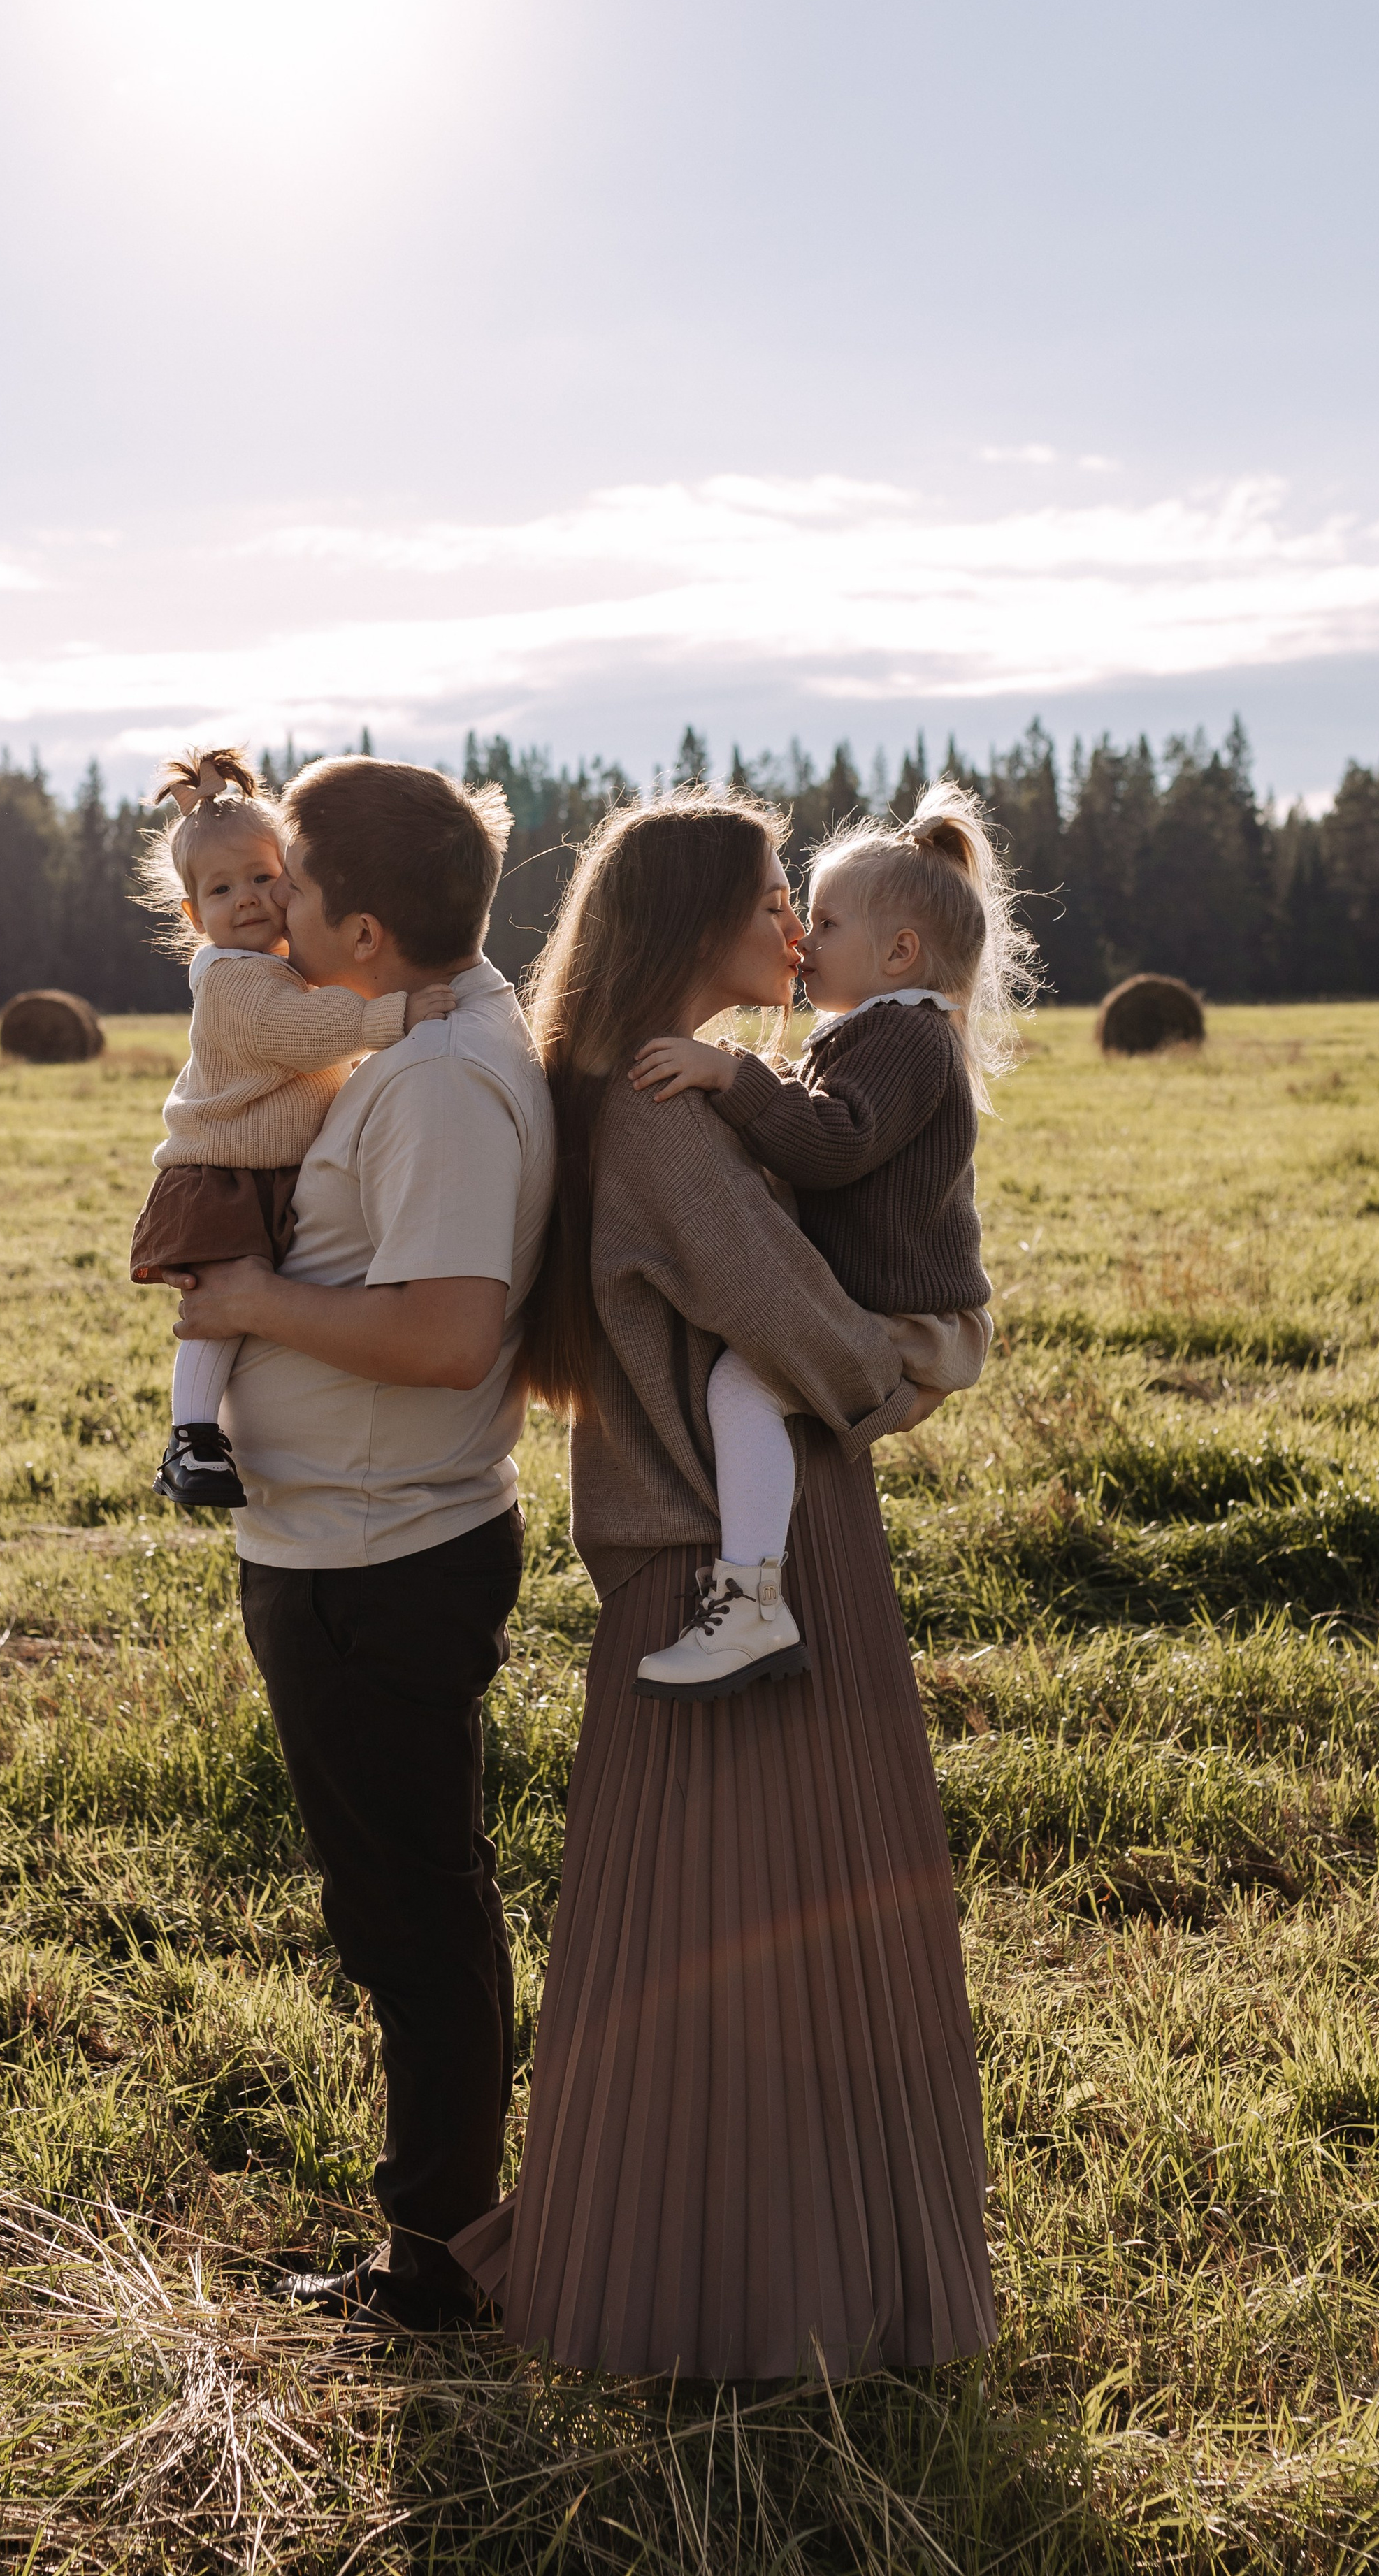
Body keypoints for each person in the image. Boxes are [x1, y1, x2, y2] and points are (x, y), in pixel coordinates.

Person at [451, 791, 996, 2381]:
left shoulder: (647, 1097)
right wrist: (915, 1371)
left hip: (697, 1553)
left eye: (806, 903)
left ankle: (705, 2269)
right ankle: (768, 2301)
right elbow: (806, 1336)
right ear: (699, 923)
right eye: (772, 897)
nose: (790, 926)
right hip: (740, 1560)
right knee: (763, 1933)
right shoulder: (670, 1117)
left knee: (706, 1932)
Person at [159, 756, 555, 2334]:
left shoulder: (437, 1081)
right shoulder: (443, 1022)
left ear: (370, 935)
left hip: (375, 1560)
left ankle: (446, 2260)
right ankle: (446, 2236)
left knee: (409, 1913)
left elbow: (454, 1335)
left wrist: (250, 1307)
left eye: (299, 892)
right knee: (407, 1899)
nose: (274, 917)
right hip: (355, 1540)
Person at [622, 779, 1036, 1697]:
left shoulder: (903, 1037)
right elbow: (820, 1112)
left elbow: (835, 1143)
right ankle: (755, 1591)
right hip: (893, 1308)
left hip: (912, 1320)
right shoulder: (876, 1029)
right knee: (748, 1384)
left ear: (899, 953)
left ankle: (752, 1599)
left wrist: (733, 1076)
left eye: (826, 922)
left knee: (741, 1385)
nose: (804, 941)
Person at [129, 747, 454, 1508]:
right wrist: (391, 1015)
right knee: (219, 1310)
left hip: (267, 1171)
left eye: (262, 878)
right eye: (219, 889)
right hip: (224, 1177)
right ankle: (192, 1438)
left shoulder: (283, 967)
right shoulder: (234, 983)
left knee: (256, 1306)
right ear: (193, 915)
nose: (245, 898)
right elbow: (297, 1033)